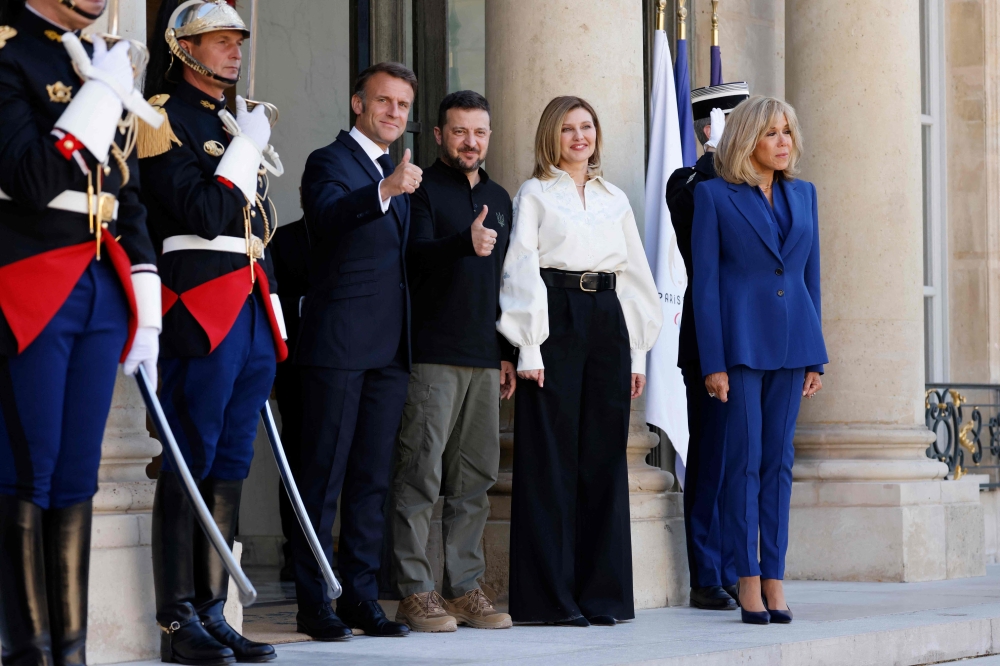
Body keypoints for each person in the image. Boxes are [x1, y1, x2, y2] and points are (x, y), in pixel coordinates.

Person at [0, 0, 162, 662]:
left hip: (100, 282)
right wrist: (99, 96)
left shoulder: (92, 55)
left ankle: (70, 651)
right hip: (32, 275)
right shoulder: (12, 54)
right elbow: (32, 178)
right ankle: (26, 652)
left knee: (75, 476)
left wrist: (146, 303)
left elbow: (129, 193)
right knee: (25, 468)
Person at [140, 0, 289, 661]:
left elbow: (260, 225)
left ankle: (211, 608)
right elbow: (201, 211)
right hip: (199, 300)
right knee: (189, 462)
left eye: (237, 41)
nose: (233, 52)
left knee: (230, 464)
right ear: (185, 49)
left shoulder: (233, 121)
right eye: (219, 41)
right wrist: (246, 148)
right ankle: (176, 622)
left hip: (251, 301)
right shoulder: (158, 117)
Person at [498, 96, 662, 627]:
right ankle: (549, 599)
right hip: (555, 316)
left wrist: (637, 351)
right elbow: (520, 266)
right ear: (552, 135)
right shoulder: (535, 193)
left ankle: (603, 596)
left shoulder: (614, 198)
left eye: (586, 126)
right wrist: (528, 346)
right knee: (549, 461)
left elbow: (636, 274)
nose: (579, 137)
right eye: (568, 128)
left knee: (604, 460)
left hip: (608, 319)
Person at [293, 61, 422, 641]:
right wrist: (382, 191)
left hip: (389, 350)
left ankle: (360, 596)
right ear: (357, 104)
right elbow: (324, 219)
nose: (394, 112)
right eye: (384, 101)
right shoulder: (331, 162)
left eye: (402, 105)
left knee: (372, 478)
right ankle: (314, 600)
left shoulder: (396, 171)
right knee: (321, 476)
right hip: (338, 345)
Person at [691, 95, 827, 625]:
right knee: (743, 464)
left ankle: (776, 578)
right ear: (749, 138)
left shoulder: (806, 194)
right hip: (740, 345)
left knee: (780, 464)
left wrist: (816, 356)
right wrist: (713, 361)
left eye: (787, 132)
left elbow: (810, 277)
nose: (783, 142)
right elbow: (705, 285)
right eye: (772, 133)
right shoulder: (714, 197)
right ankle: (746, 579)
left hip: (795, 345)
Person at [390, 90, 515, 633]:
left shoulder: (500, 196)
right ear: (439, 135)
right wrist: (462, 242)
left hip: (486, 358)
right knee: (420, 472)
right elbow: (411, 257)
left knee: (475, 479)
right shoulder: (420, 189)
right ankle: (415, 590)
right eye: (460, 131)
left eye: (480, 132)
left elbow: (509, 283)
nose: (471, 142)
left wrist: (509, 351)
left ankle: (464, 588)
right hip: (433, 354)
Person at [666, 82, 750, 612]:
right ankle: (707, 573)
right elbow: (700, 239)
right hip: (711, 337)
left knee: (752, 459)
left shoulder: (767, 183)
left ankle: (748, 567)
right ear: (708, 130)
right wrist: (720, 162)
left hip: (759, 338)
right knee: (715, 457)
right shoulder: (691, 182)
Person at [269, 201, 310, 584]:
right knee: (294, 456)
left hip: (345, 361)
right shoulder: (283, 240)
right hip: (295, 366)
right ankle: (293, 549)